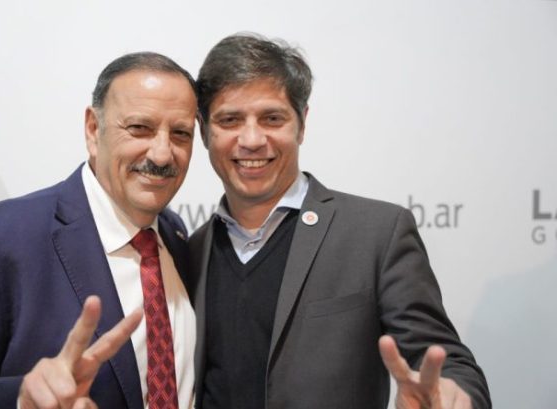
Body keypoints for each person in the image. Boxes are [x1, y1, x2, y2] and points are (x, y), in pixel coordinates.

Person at [188, 33, 491, 409]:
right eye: (230, 120)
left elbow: (447, 363)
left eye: (272, 118)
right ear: (205, 130)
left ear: (302, 124)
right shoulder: (189, 251)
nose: (251, 139)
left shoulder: (377, 234)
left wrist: (452, 395)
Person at [0, 52, 199, 409]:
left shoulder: (175, 235)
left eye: (180, 134)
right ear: (93, 129)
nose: (162, 154)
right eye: (140, 128)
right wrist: (22, 398)